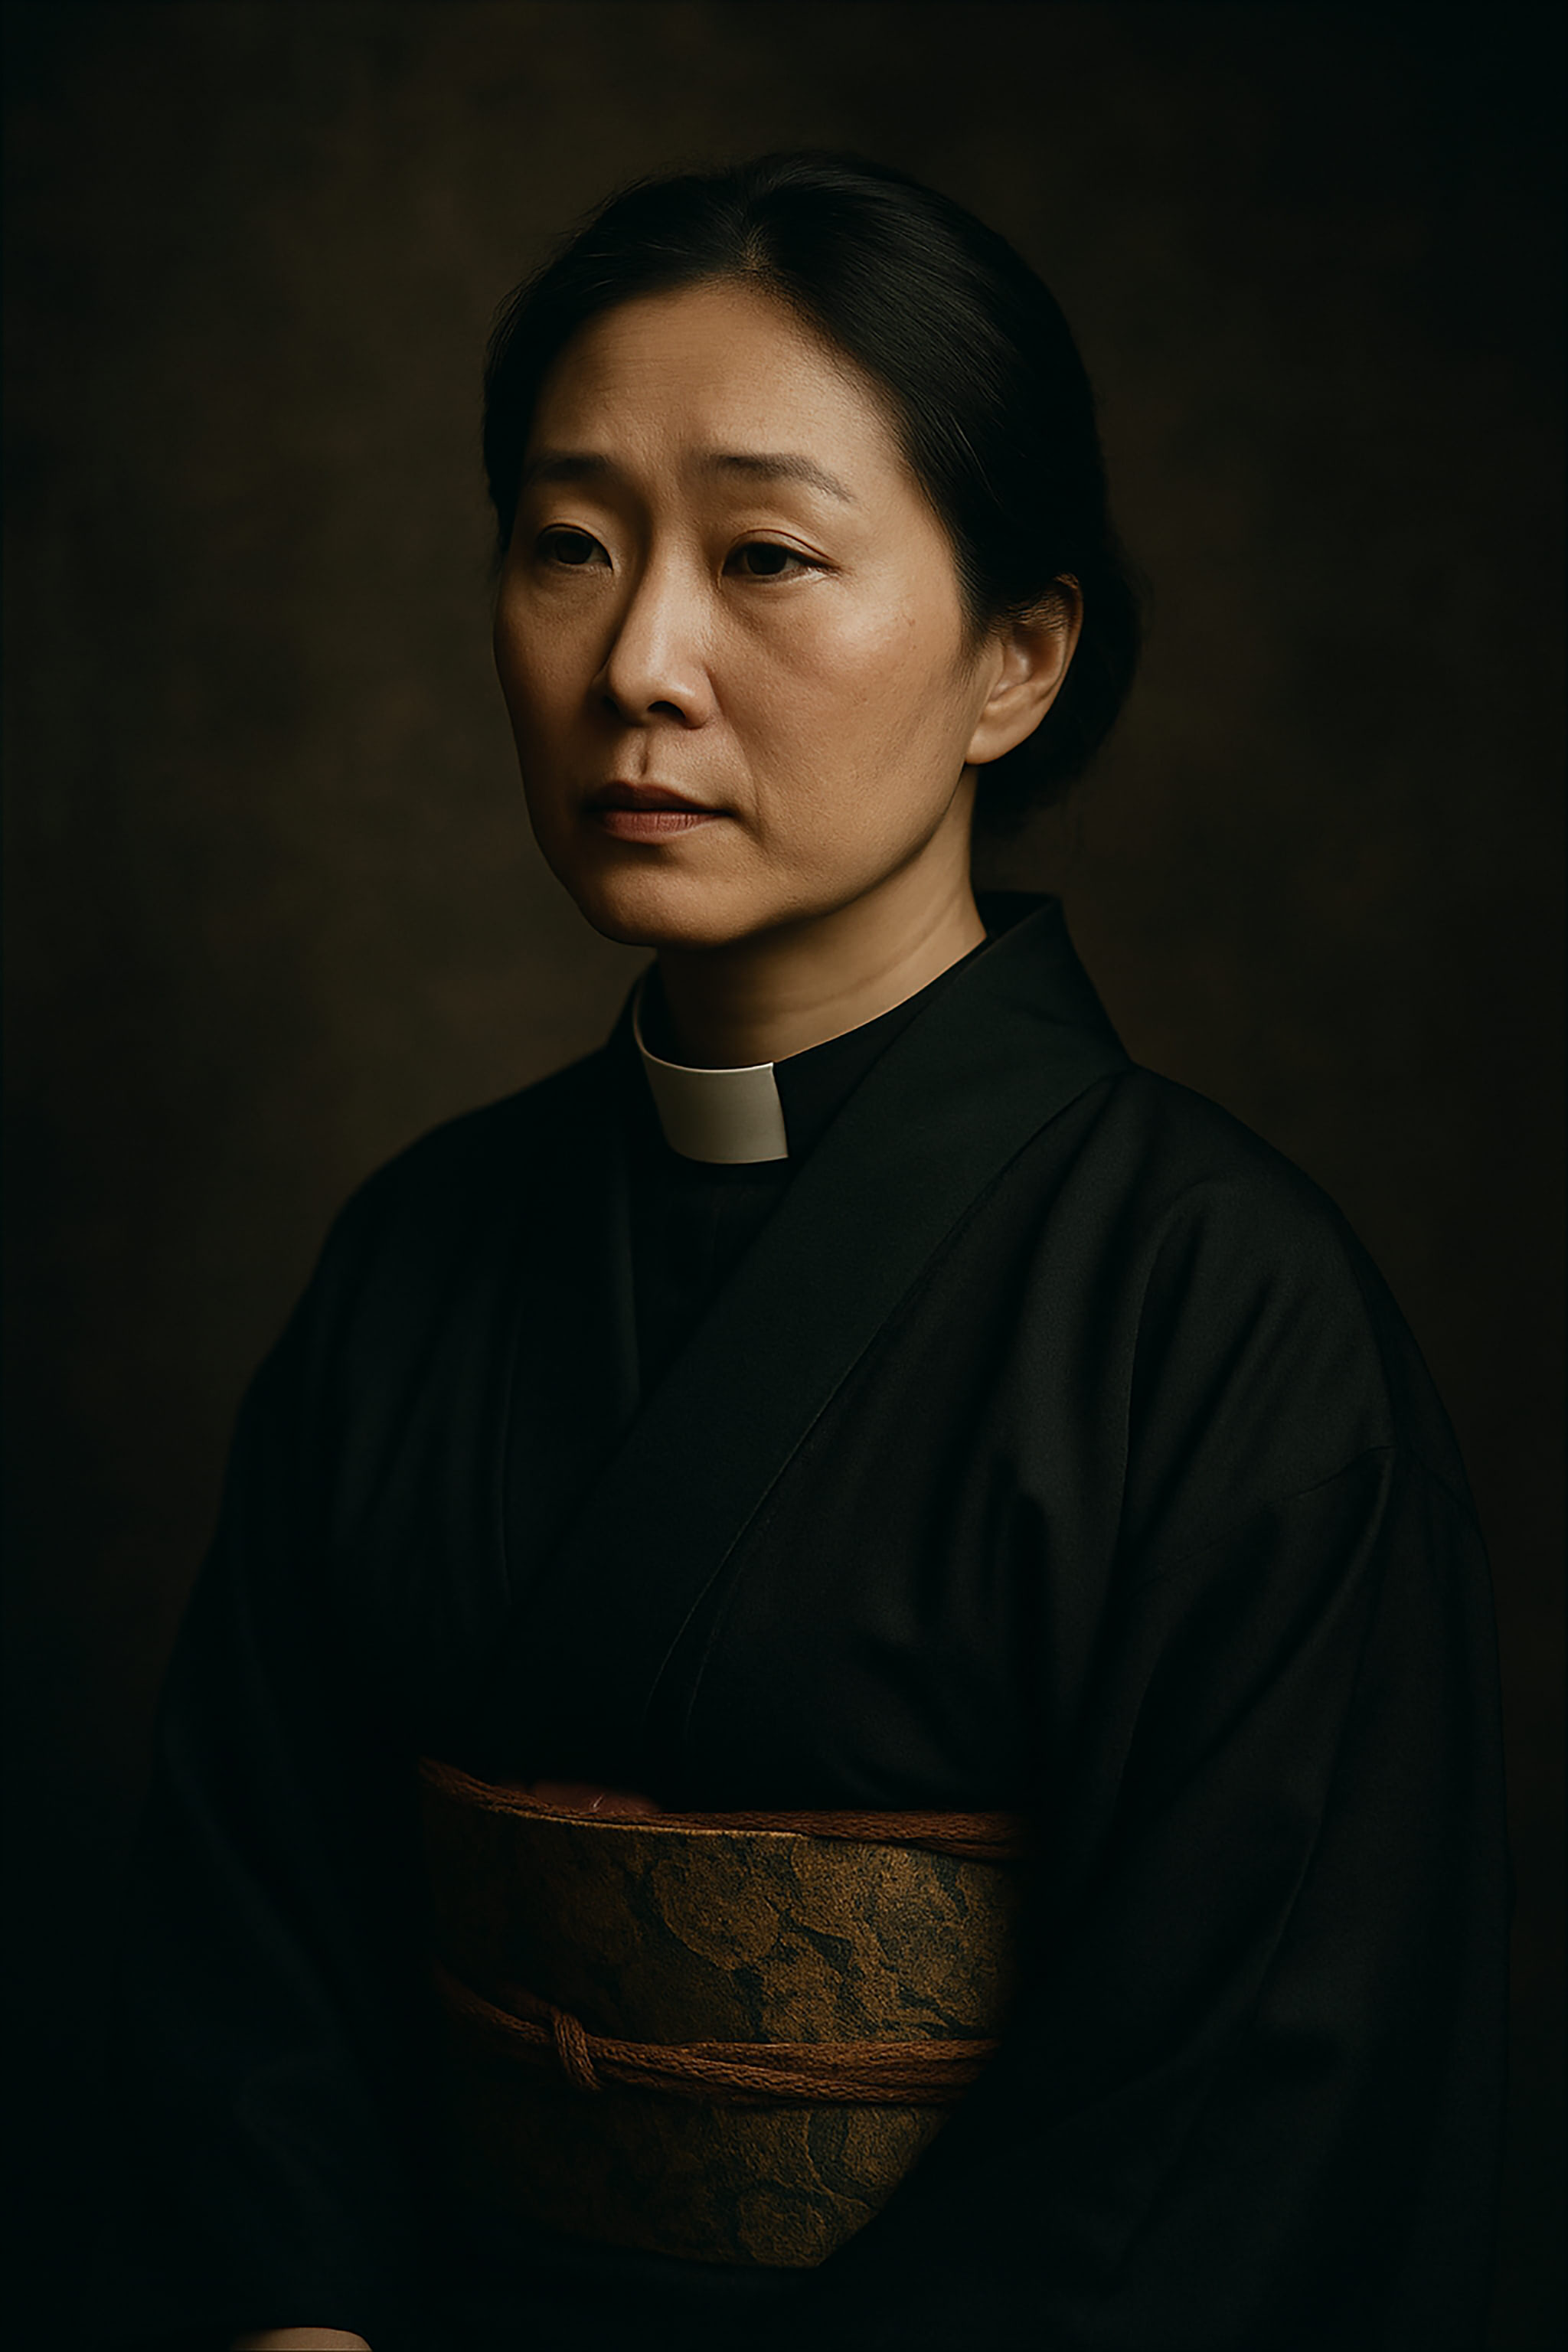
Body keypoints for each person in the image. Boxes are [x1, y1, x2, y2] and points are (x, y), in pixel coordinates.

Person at [83, 153, 1509, 2352]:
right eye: (569, 546)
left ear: (1016, 660)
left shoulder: (1224, 1320)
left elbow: (1232, 2132)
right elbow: (243, 1937)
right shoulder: (420, 1252)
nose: (640, 659)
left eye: (765, 557)